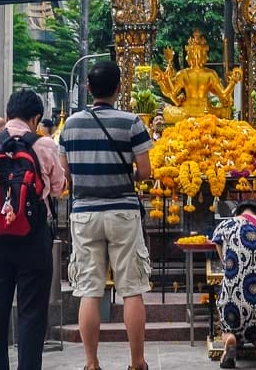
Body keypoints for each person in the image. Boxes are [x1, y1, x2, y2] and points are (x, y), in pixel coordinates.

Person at [59, 61, 154, 370]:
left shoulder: (70, 125)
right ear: (119, 88)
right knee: (132, 288)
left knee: (88, 289)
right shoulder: (131, 122)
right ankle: (137, 362)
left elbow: (65, 175)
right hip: (123, 213)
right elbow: (146, 171)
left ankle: (91, 363)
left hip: (84, 212)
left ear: (89, 88)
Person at [0, 89, 66, 370]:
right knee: (32, 315)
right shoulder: (45, 145)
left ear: (9, 112)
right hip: (33, 239)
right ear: (35, 118)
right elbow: (59, 189)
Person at [210, 202, 256, 368]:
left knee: (229, 327)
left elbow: (223, 261)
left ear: (238, 213)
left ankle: (230, 339)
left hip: (234, 300)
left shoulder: (225, 226)